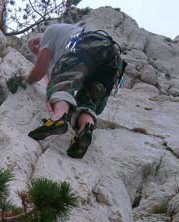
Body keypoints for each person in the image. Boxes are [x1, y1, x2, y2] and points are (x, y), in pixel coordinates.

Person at [25, 22, 125, 158]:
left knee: (62, 81)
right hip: (113, 57)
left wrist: (25, 80)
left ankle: (58, 118)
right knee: (89, 98)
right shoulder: (68, 36)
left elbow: (40, 71)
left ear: (39, 39)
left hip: (87, 45)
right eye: (34, 51)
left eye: (36, 45)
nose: (37, 49)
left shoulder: (50, 32)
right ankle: (85, 131)